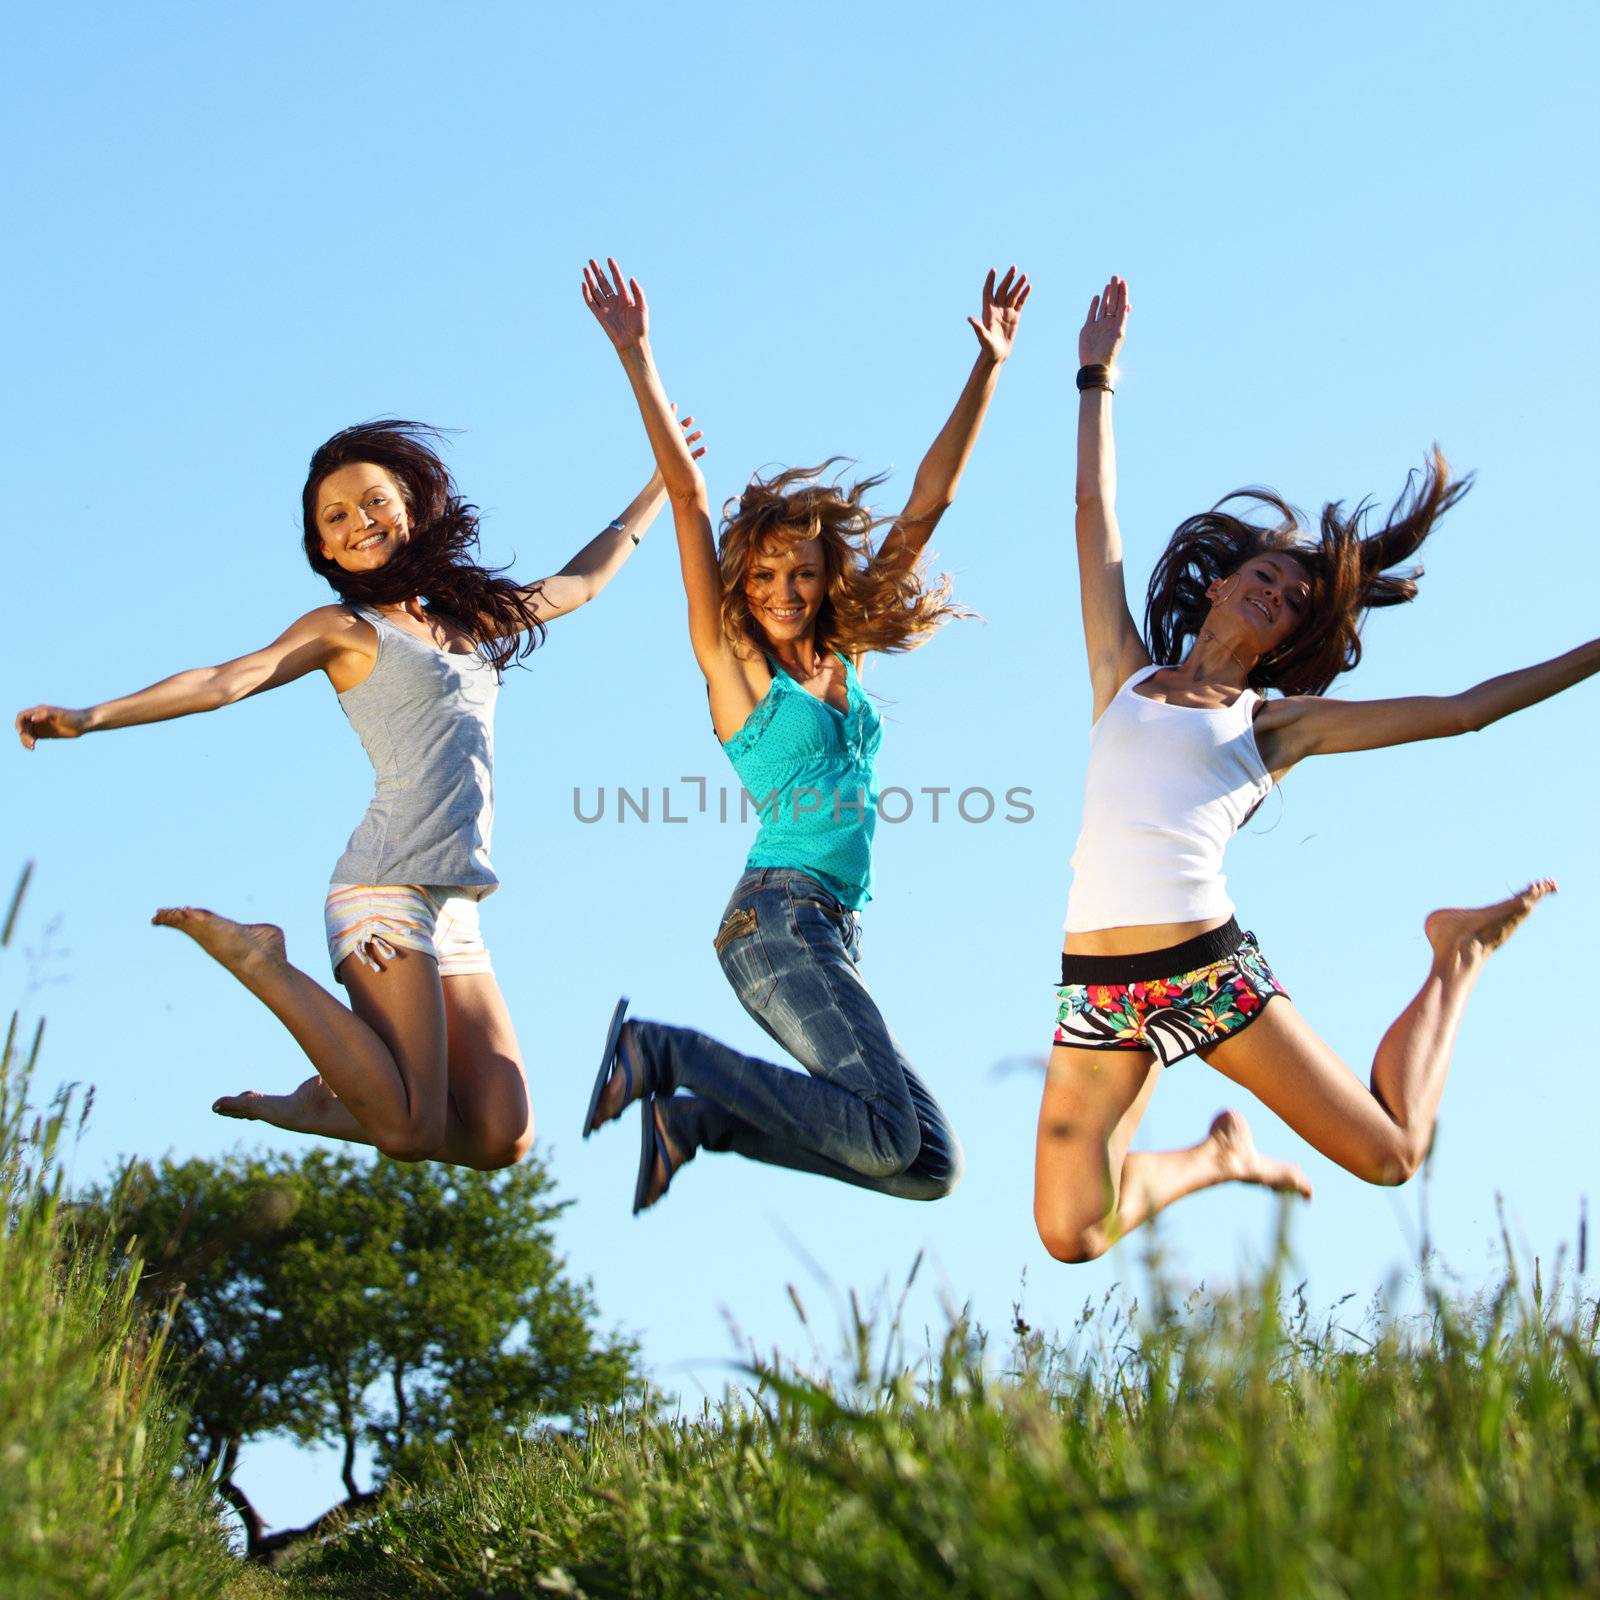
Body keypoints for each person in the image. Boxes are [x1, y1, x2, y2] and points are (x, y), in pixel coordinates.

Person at [1035, 275, 1596, 1261]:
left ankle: (1455, 955)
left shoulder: (1273, 724)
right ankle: (1213, 1159)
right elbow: (1091, 509)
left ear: (1289, 638)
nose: (1276, 593)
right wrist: (1095, 377)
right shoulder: (1121, 672)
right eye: (1265, 576)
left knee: (1389, 1153)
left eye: (1293, 600)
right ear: (1220, 585)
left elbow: (1462, 712)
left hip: (1202, 967)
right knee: (1071, 1230)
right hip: (1093, 984)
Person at [15, 418, 699, 1168]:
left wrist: (659, 489)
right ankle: (261, 960)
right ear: (325, 550)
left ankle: (326, 1103)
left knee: (502, 1136)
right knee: (409, 1132)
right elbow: (224, 680)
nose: (359, 522)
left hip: (456, 905)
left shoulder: (469, 621)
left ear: (409, 507)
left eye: (372, 502)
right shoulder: (344, 628)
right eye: (336, 518)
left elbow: (583, 582)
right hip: (385, 887)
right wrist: (90, 717)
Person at [578, 256, 1028, 1211]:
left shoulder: (848, 655)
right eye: (767, 577)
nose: (785, 594)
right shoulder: (736, 670)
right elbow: (694, 504)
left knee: (925, 1167)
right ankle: (664, 1052)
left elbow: (927, 504)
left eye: (806, 576)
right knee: (885, 1130)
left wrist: (988, 367)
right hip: (776, 918)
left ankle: (695, 1122)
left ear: (829, 579)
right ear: (744, 584)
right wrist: (636, 354)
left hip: (828, 932)